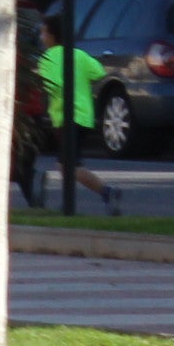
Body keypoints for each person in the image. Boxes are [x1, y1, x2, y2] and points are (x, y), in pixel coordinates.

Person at [33, 22, 123, 218]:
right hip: (84, 115)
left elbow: (52, 85)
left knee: (69, 165)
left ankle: (107, 192)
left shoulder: (48, 58)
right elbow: (98, 72)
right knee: (66, 164)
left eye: (43, 33)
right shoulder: (78, 54)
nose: (41, 37)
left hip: (66, 115)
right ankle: (69, 202)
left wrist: (38, 78)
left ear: (52, 36)